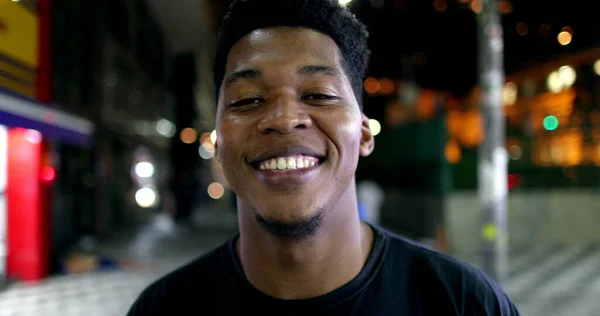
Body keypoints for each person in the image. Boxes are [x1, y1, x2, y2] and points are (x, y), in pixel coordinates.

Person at [127, 0, 521, 314]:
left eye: (318, 95)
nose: (284, 119)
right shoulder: (164, 307)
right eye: (248, 100)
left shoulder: (464, 303)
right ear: (219, 144)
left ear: (364, 133)